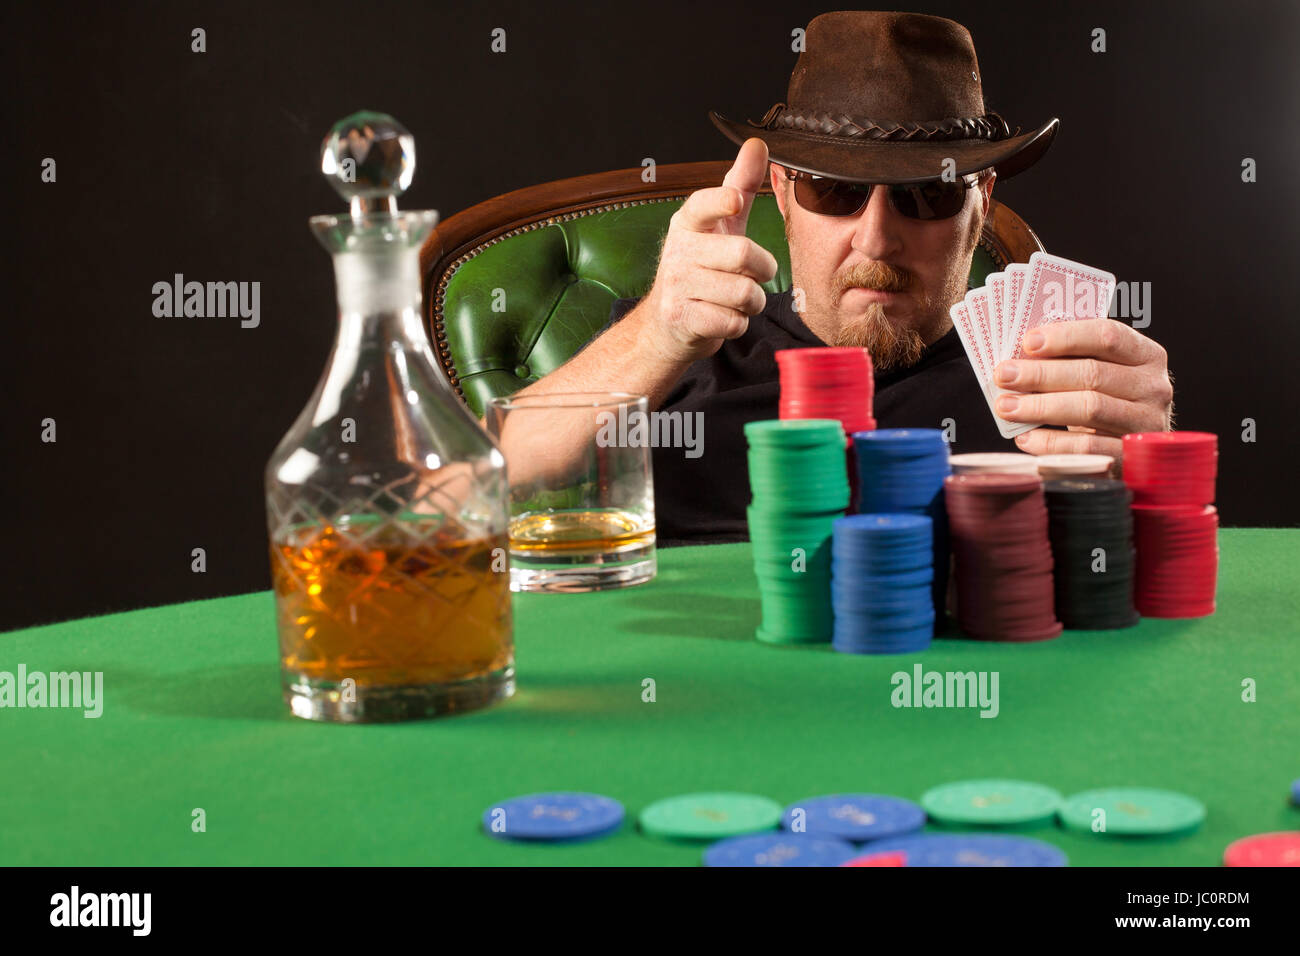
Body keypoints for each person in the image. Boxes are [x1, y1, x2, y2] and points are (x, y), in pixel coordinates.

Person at [511, 10, 1173, 543]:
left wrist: (1151, 461)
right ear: (780, 190)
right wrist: (655, 334)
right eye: (835, 191)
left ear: (983, 205)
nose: (877, 237)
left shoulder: (1050, 381)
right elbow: (479, 483)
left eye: (927, 194)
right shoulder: (681, 343)